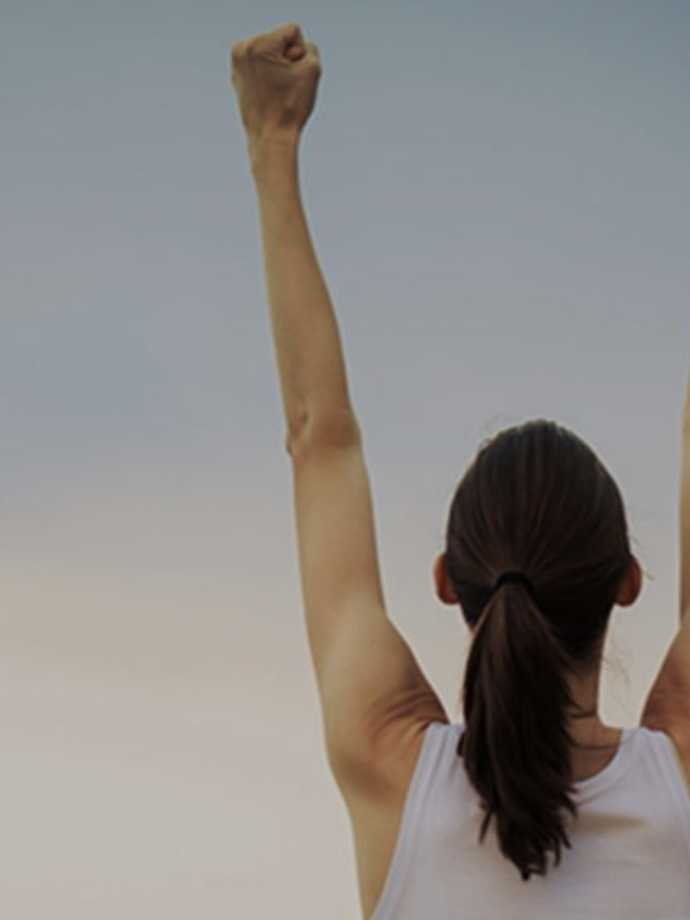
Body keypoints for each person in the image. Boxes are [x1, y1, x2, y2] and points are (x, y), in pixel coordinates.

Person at [230, 22, 690, 919]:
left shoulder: (392, 770)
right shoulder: (676, 785)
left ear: (447, 579)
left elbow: (319, 438)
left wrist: (271, 142)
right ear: (628, 581)